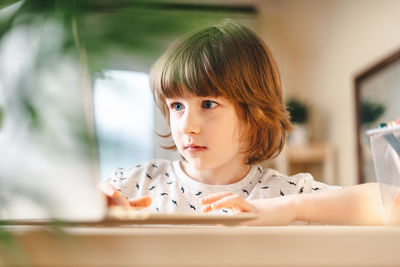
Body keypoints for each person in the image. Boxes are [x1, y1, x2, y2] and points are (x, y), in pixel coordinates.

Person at [99, 20, 383, 226]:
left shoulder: (285, 193)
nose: (187, 126)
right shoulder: (133, 185)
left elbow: (391, 203)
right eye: (177, 106)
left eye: (208, 104)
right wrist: (92, 209)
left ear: (253, 113)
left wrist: (291, 208)